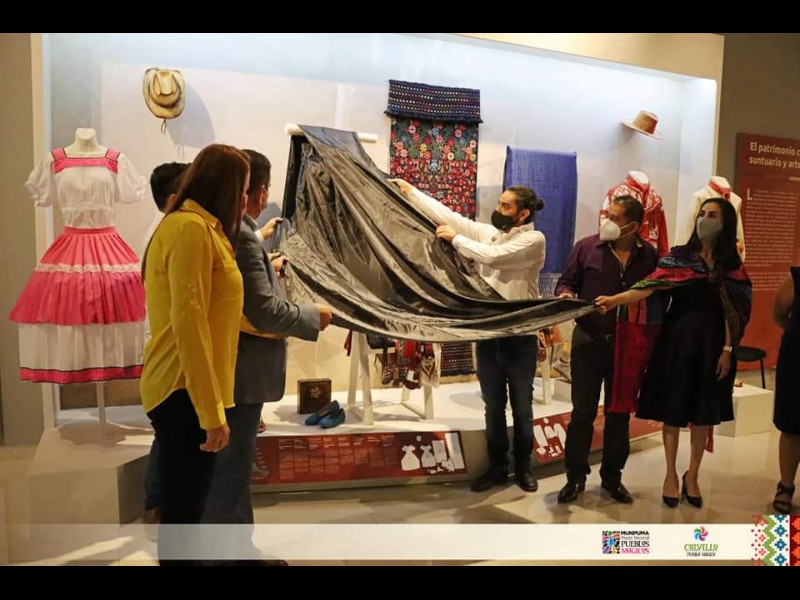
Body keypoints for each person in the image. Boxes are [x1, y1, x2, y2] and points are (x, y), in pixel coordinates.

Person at [201, 149, 333, 565]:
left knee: (231, 471)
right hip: (241, 372)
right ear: (255, 191)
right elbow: (262, 311)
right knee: (231, 472)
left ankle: (235, 552)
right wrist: (312, 316)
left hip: (234, 369)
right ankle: (228, 557)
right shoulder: (240, 236)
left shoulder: (228, 230)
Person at [391, 178, 546, 492]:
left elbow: (493, 257)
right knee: (493, 407)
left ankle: (523, 468)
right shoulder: (491, 234)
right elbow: (451, 217)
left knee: (522, 408)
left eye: (505, 206)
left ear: (523, 214)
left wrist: (457, 239)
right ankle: (497, 468)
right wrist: (412, 192)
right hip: (488, 334)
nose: (498, 210)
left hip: (519, 338)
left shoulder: (534, 240)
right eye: (499, 203)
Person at [596, 198, 752, 509]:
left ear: (726, 222)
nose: (705, 219)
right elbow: (649, 286)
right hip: (676, 342)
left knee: (703, 413)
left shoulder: (732, 267)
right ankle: (669, 474)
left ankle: (692, 475)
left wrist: (727, 350)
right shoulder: (680, 258)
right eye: (702, 214)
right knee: (673, 409)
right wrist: (616, 300)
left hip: (713, 348)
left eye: (713, 215)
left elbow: (735, 312)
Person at [140, 143, 250, 565]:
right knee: (184, 513)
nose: (245, 199)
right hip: (182, 389)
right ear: (223, 187)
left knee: (186, 510)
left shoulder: (203, 229)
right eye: (242, 189)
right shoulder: (190, 229)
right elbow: (190, 325)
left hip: (188, 387)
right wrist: (210, 413)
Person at [554, 195, 658, 505]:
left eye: (615, 218)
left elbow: (655, 296)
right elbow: (566, 282)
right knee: (582, 413)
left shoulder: (649, 256)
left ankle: (613, 477)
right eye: (607, 215)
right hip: (589, 339)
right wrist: (566, 295)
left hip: (627, 346)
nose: (607, 222)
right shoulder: (587, 247)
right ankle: (574, 477)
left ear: (633, 226)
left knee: (619, 414)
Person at [141, 162, 190, 528]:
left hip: (167, 359)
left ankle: (157, 503)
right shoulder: (178, 233)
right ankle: (157, 503)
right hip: (173, 362)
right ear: (174, 198)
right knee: (173, 443)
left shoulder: (166, 231)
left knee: (170, 442)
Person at [772, 266, 800, 514]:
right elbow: (780, 314)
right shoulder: (796, 278)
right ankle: (786, 486)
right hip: (797, 358)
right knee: (791, 425)